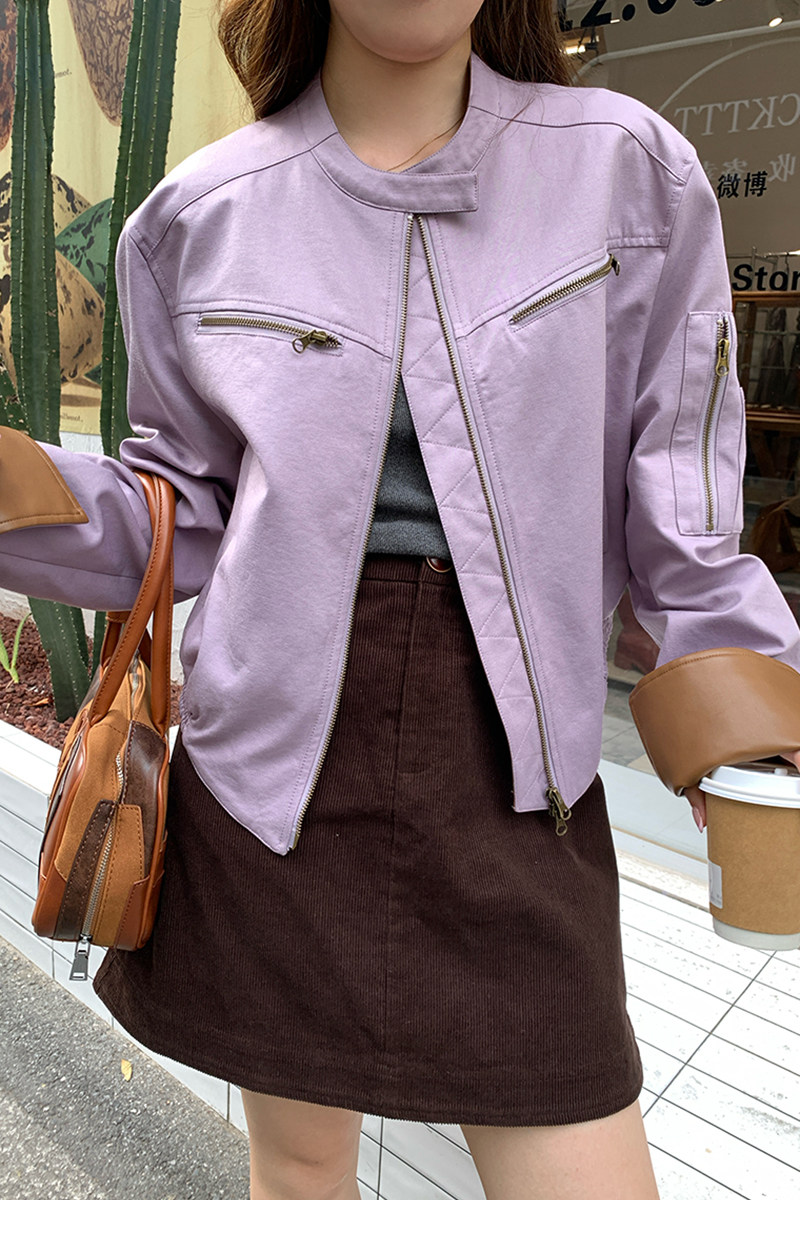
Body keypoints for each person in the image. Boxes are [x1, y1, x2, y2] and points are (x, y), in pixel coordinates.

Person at [3, 0, 800, 1202]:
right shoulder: (197, 215)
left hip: (518, 777)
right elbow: (183, 511)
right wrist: (18, 493)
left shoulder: (626, 170)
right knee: (300, 1169)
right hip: (270, 779)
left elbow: (680, 498)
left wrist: (746, 731)